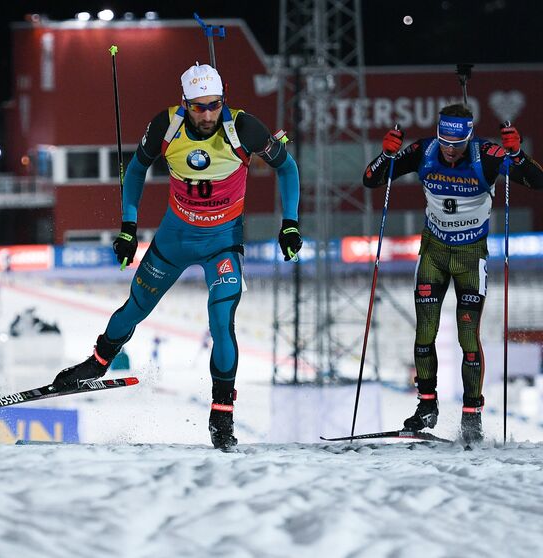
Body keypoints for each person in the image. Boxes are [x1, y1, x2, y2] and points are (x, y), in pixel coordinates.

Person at [50, 63, 302, 450]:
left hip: (223, 242)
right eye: (198, 107)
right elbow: (136, 170)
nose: (207, 115)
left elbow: (287, 168)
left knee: (221, 322)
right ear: (184, 102)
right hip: (174, 238)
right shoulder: (166, 126)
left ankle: (222, 413)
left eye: (214, 105)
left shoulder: (245, 128)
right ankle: (96, 364)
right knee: (135, 308)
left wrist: (290, 223)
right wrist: (128, 227)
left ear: (224, 99)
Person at [363, 104, 543, 443]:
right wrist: (385, 156)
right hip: (433, 252)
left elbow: (537, 181)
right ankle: (426, 406)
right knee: (424, 332)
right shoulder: (424, 150)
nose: (449, 149)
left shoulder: (486, 155)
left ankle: (471, 413)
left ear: (469, 138)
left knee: (467, 337)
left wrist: (517, 154)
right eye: (445, 140)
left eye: (456, 144)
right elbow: (371, 180)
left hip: (470, 256)